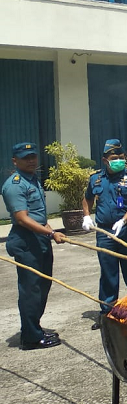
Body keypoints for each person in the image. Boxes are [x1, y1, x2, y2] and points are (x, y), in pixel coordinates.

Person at [3, 143, 67, 350]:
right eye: (25, 157)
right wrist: (51, 232)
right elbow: (22, 219)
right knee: (31, 290)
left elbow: (36, 214)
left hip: (39, 238)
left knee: (42, 286)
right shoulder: (15, 184)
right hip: (25, 241)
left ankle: (34, 327)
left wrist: (47, 227)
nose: (31, 161)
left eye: (33, 156)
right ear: (15, 161)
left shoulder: (33, 180)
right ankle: (31, 338)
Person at [81, 139, 127, 330]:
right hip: (104, 231)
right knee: (108, 272)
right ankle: (107, 313)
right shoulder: (96, 179)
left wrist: (123, 220)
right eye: (114, 158)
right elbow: (87, 198)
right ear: (104, 160)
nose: (119, 160)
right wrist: (86, 216)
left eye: (121, 157)